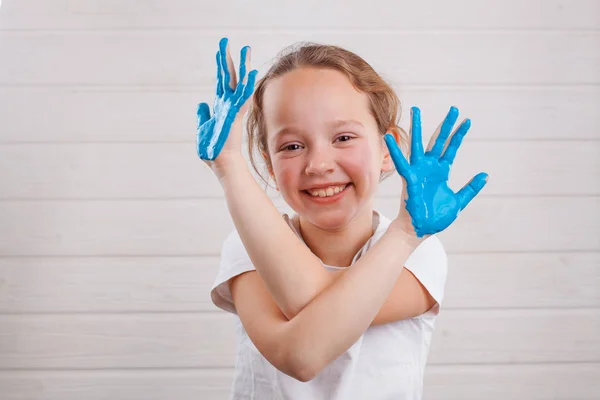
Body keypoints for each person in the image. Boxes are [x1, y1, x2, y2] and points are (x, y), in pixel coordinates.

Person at [197, 37, 488, 400]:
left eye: (344, 137)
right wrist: (228, 163)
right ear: (269, 164)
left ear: (387, 148)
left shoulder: (418, 254)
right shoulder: (246, 247)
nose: (319, 164)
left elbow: (310, 343)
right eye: (291, 146)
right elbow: (297, 358)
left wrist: (405, 234)